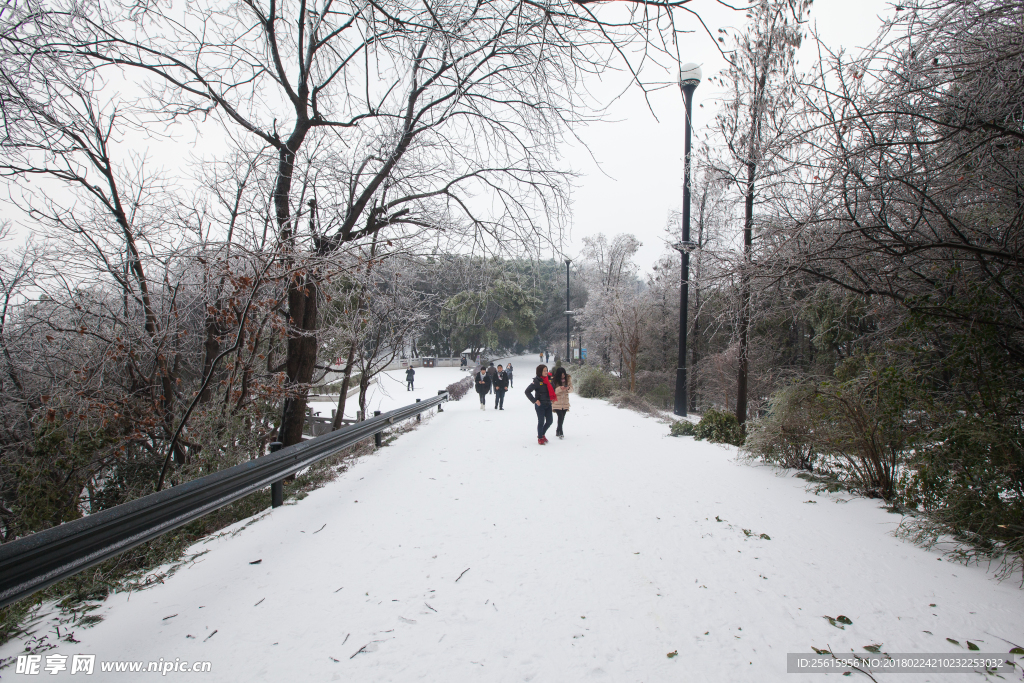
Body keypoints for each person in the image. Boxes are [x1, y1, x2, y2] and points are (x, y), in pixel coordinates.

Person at [525, 364, 556, 444]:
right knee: (541, 421)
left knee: (549, 421)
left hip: (548, 403)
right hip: (540, 405)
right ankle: (540, 437)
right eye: (544, 371)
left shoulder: (549, 379)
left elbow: (553, 388)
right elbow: (527, 391)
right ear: (540, 372)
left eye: (546, 370)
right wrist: (535, 400)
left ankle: (542, 433)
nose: (546, 372)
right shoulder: (536, 381)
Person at [551, 366, 573, 439]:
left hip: (565, 402)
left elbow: (572, 390)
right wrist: (560, 388)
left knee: (562, 417)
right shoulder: (554, 381)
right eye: (561, 374)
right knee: (560, 416)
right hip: (556, 402)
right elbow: (552, 391)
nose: (563, 376)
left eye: (564, 374)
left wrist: (568, 388)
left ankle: (558, 430)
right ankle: (561, 431)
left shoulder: (568, 379)